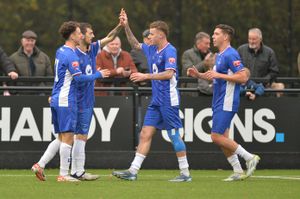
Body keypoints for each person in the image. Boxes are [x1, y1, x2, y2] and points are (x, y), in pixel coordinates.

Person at [112, 9, 192, 182]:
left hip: (169, 99)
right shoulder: (152, 49)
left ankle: (185, 173)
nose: (149, 35)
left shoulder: (169, 50)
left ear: (161, 36)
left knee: (173, 135)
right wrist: (126, 26)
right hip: (157, 100)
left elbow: (169, 74)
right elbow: (135, 45)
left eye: (152, 33)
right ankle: (133, 171)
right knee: (145, 133)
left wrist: (145, 76)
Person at [31, 21, 106, 182]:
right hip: (66, 99)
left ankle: (40, 164)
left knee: (61, 137)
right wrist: (98, 75)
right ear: (72, 35)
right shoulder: (71, 54)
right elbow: (79, 79)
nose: (81, 35)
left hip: (58, 97)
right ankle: (64, 174)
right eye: (79, 33)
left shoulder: (60, 51)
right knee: (68, 137)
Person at [187, 24, 260, 181]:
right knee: (224, 139)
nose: (213, 36)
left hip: (227, 101)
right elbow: (215, 75)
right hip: (218, 100)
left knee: (215, 136)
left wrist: (220, 76)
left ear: (225, 37)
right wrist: (198, 74)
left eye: (216, 33)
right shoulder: (219, 55)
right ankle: (238, 171)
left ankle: (249, 157)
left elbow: (243, 77)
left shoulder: (231, 54)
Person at [237, 28, 284, 96]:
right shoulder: (241, 50)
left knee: (280, 86)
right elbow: (235, 67)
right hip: (243, 87)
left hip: (263, 87)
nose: (251, 41)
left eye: (254, 39)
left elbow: (274, 71)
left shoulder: (269, 52)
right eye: (249, 38)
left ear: (260, 39)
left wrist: (264, 81)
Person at [10, 30, 53, 95]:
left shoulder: (44, 58)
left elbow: (49, 77)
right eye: (27, 40)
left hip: (40, 94)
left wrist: (47, 93)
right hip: (21, 95)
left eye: (32, 41)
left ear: (35, 42)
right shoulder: (13, 58)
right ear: (22, 41)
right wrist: (15, 93)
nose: (30, 43)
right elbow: (10, 81)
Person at [181, 32, 211, 96]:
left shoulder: (210, 55)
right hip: (192, 93)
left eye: (209, 43)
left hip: (208, 92)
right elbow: (189, 71)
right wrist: (205, 62)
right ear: (198, 43)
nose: (209, 46)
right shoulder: (187, 54)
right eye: (206, 43)